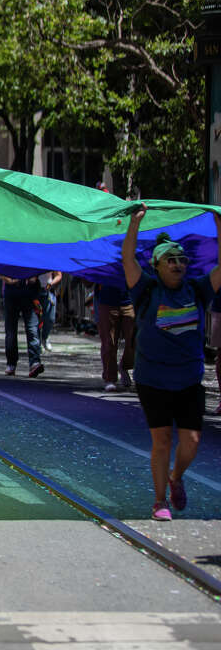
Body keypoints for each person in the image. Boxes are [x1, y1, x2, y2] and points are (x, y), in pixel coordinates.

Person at [121, 207, 221, 521]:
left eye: (181, 260)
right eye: (171, 260)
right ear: (158, 266)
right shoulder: (147, 290)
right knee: (162, 439)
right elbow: (128, 260)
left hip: (189, 378)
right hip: (153, 378)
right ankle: (159, 500)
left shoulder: (198, 290)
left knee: (191, 441)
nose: (178, 264)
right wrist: (135, 224)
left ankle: (176, 477)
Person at [1, 274, 43, 377]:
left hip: (30, 290)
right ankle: (11, 363)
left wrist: (34, 277)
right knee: (11, 330)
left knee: (32, 328)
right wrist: (9, 280)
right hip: (12, 289)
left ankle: (34, 362)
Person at [96, 281, 135, 392]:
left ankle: (124, 366)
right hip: (107, 301)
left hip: (129, 301)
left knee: (133, 340)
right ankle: (110, 378)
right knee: (109, 342)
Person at [39, 270, 63, 352]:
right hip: (35, 290)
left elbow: (58, 275)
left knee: (50, 318)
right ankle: (37, 342)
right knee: (37, 318)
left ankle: (45, 337)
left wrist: (51, 284)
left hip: (48, 291)